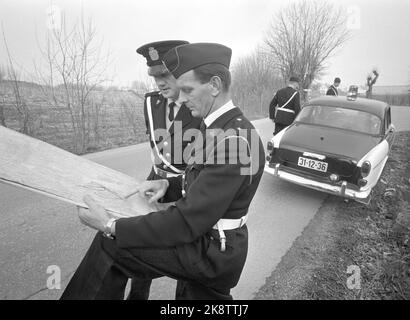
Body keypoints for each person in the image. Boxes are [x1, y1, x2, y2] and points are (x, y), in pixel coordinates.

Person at [60, 42, 265, 300]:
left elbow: (184, 222)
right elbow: (204, 181)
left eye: (188, 90)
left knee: (111, 244)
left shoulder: (234, 141)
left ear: (214, 85)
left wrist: (111, 225)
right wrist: (170, 186)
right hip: (210, 241)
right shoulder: (220, 126)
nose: (181, 97)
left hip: (212, 253)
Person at [127, 40, 202, 300]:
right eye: (154, 76)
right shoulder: (150, 102)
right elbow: (159, 146)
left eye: (165, 74)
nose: (159, 82)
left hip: (186, 188)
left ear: (181, 73)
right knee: (141, 246)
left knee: (187, 256)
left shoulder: (201, 107)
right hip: (155, 182)